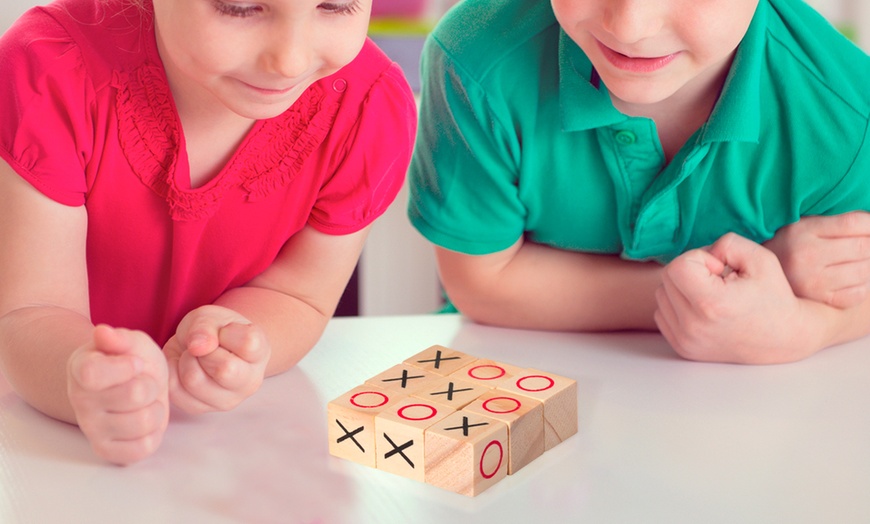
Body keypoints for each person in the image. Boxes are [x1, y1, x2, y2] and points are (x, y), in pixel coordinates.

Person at [0, 0, 416, 465]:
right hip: (41, 447)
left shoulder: (366, 108)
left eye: (336, 6)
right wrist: (80, 378)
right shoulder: (53, 65)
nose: (290, 61)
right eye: (240, 8)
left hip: (218, 457)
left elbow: (301, 296)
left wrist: (239, 337)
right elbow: (30, 312)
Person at [408, 0, 870, 364]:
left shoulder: (848, 114)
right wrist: (769, 277)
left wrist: (807, 330)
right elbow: (481, 284)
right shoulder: (474, 60)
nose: (629, 27)